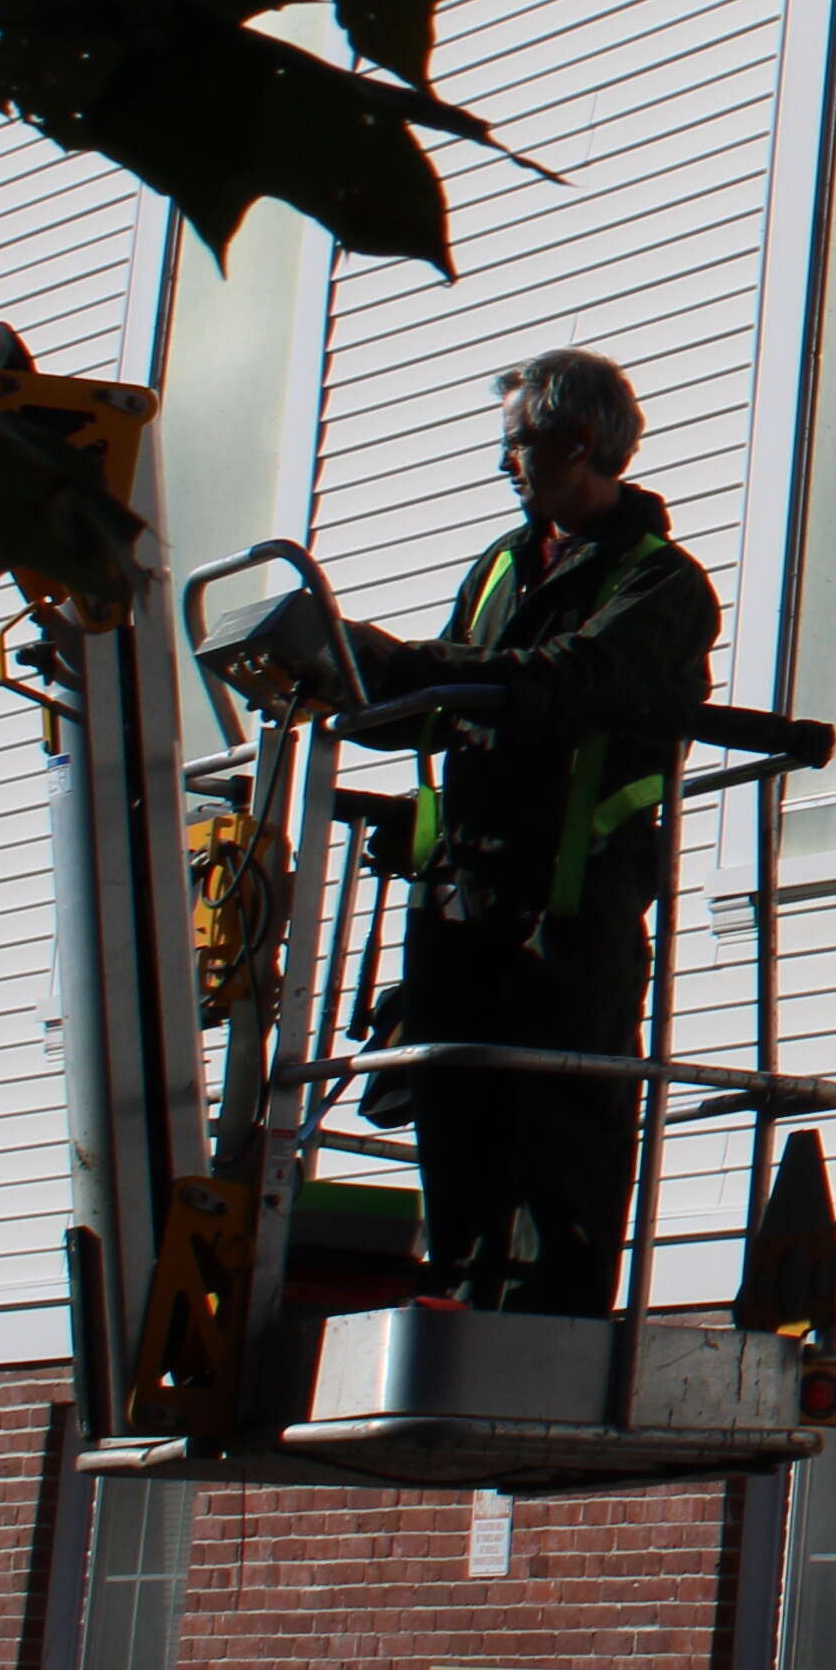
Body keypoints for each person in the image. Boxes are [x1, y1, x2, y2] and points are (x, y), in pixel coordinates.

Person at [298, 350, 720, 1314]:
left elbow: (567, 680)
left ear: (579, 444)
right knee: (456, 1109)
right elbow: (455, 698)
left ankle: (544, 1328)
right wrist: (360, 680)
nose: (505, 465)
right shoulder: (499, 564)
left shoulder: (662, 584)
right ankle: (460, 1300)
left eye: (517, 443)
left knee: (560, 1120)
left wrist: (409, 668)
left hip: (570, 903)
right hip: (465, 890)